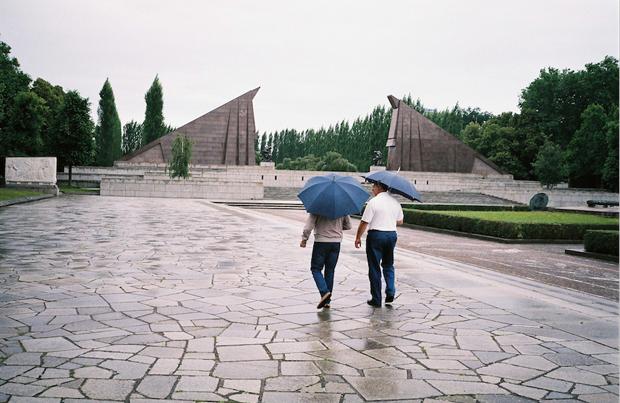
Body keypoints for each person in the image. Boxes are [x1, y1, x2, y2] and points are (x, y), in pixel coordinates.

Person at [354, 182, 404, 307]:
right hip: (391, 235)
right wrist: (388, 220)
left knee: (374, 267)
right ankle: (390, 291)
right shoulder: (395, 202)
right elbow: (400, 221)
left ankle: (376, 298)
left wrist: (358, 237)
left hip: (376, 235)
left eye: (373, 187)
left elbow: (364, 222)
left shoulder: (373, 202)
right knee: (388, 265)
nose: (372, 189)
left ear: (379, 187)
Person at [301, 213, 352, 309]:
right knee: (330, 270)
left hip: (321, 242)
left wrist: (304, 239)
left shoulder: (317, 208)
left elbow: (308, 227)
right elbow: (348, 226)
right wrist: (336, 227)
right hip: (336, 243)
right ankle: (327, 301)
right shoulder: (342, 208)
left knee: (315, 269)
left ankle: (324, 292)